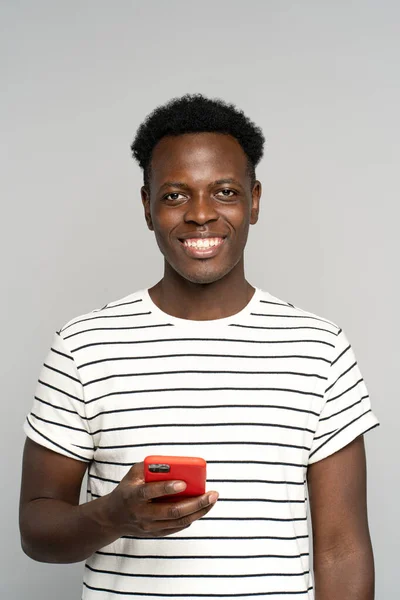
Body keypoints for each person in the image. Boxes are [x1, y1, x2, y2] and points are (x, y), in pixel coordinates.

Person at [20, 94, 379, 600]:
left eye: (225, 191)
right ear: (147, 207)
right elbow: (36, 530)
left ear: (254, 200)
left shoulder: (319, 348)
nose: (201, 215)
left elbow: (342, 548)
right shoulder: (84, 345)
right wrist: (113, 516)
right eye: (174, 196)